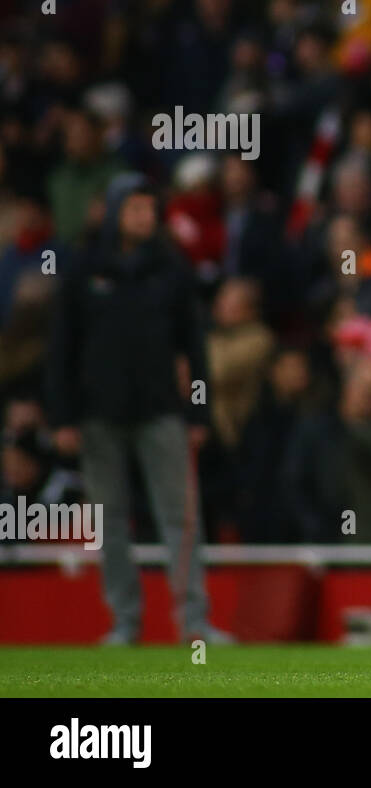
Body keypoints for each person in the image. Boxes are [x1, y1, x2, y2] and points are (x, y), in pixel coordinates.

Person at [45, 172, 230, 644]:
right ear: (112, 212)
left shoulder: (172, 269)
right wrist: (62, 416)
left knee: (182, 518)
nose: (144, 217)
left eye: (149, 208)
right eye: (134, 208)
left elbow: (194, 348)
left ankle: (194, 622)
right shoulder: (84, 268)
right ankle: (124, 621)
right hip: (98, 413)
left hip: (161, 409)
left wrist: (199, 413)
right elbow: (61, 347)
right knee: (109, 520)